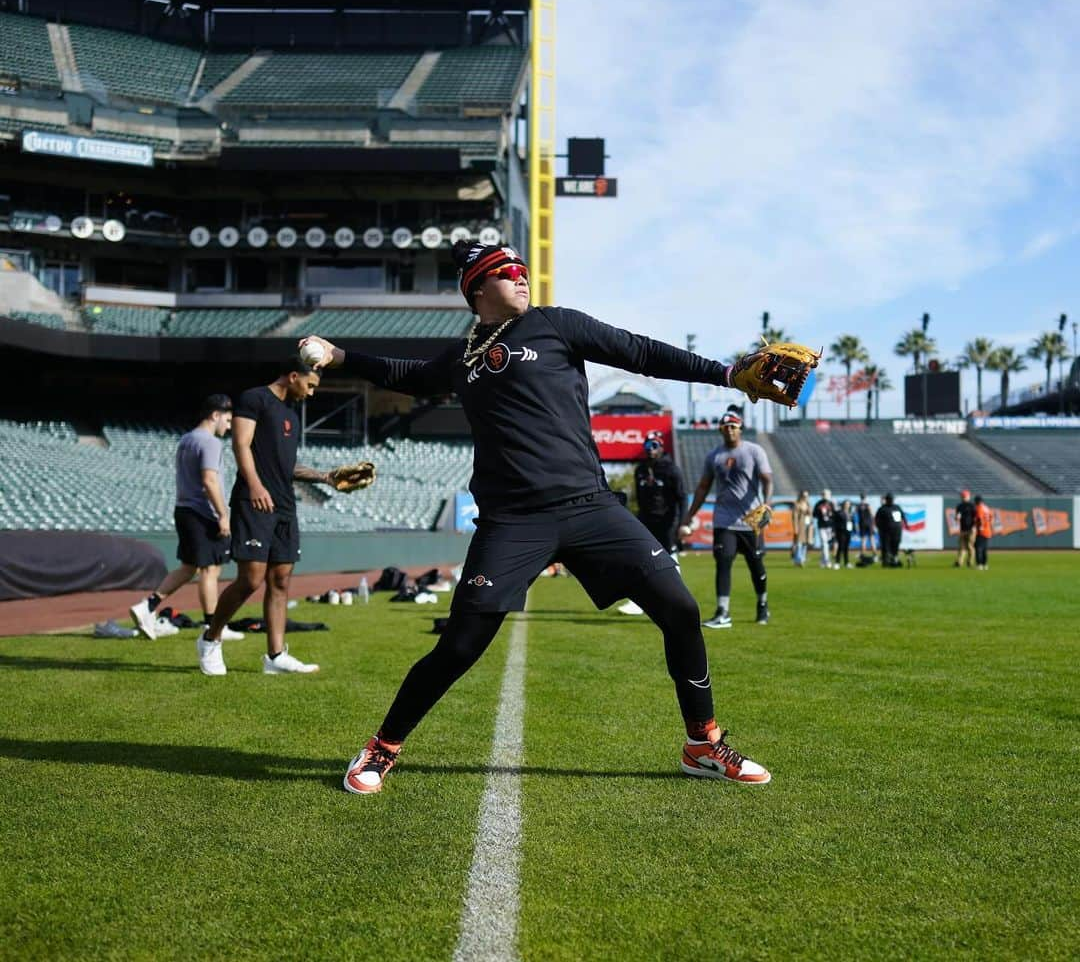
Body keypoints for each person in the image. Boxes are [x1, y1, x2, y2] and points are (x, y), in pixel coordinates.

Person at [300, 241, 781, 794]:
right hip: (513, 521)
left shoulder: (556, 325)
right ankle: (381, 748)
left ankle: (703, 744)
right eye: (508, 273)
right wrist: (340, 357)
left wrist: (726, 374)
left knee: (680, 608)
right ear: (478, 289)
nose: (522, 278)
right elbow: (405, 373)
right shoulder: (464, 359)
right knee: (458, 647)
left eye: (524, 270)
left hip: (590, 506)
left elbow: (641, 352)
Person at [195, 358, 335, 676]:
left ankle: (275, 656)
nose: (311, 393)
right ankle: (210, 638)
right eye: (310, 385)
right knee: (251, 579)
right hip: (253, 501)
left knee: (281, 579)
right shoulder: (254, 398)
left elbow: (289, 467)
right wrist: (256, 486)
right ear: (294, 376)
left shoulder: (291, 415)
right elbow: (240, 445)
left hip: (285, 505)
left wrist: (327, 477)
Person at [130, 394, 244, 643]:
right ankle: (214, 625)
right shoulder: (210, 442)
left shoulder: (186, 439)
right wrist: (223, 514)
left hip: (184, 510)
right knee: (210, 570)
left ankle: (148, 606)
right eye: (227, 419)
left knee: (189, 567)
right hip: (203, 513)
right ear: (215, 415)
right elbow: (209, 480)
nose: (229, 425)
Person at [680, 405, 773, 629]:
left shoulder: (754, 451)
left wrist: (767, 504)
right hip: (724, 519)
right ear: (721, 430)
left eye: (733, 426)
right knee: (723, 563)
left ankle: (762, 603)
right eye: (725, 427)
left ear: (740, 428)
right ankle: (723, 611)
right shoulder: (714, 456)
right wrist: (689, 515)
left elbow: (767, 478)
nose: (729, 430)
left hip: (751, 519)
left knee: (756, 565)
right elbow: (703, 488)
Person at [617, 430, 687, 616]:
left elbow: (681, 498)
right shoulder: (640, 470)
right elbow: (639, 498)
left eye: (654, 445)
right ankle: (639, 601)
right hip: (646, 519)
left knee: (670, 558)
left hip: (667, 521)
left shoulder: (671, 469)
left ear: (661, 447)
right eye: (647, 445)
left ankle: (679, 600)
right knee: (640, 557)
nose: (650, 449)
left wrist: (681, 523)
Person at [875, 493, 908, 567]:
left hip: (897, 531)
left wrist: (906, 524)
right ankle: (885, 561)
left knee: (895, 546)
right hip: (885, 532)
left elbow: (903, 517)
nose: (891, 500)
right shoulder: (882, 509)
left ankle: (894, 560)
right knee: (885, 547)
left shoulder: (897, 507)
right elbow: (877, 520)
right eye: (889, 499)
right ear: (886, 500)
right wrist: (880, 528)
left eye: (892, 499)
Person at [812, 488, 837, 568]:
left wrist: (830, 515)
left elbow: (835, 515)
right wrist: (821, 513)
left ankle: (822, 561)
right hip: (822, 526)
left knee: (827, 544)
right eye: (824, 494)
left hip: (830, 526)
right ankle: (827, 560)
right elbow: (814, 514)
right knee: (824, 543)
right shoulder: (818, 504)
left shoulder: (831, 504)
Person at [954, 489, 977, 568]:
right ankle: (959, 562)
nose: (964, 498)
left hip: (971, 528)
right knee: (961, 546)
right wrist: (957, 518)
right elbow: (957, 517)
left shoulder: (972, 506)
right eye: (963, 496)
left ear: (969, 497)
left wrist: (974, 527)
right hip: (962, 529)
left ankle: (970, 562)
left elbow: (976, 517)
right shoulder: (959, 506)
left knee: (970, 546)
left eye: (965, 496)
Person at [791, 490, 811, 567]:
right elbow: (794, 517)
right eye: (804, 496)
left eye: (807, 496)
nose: (806, 497)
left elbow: (810, 515)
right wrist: (795, 527)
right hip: (800, 526)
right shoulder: (797, 504)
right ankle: (799, 559)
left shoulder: (808, 504)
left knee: (805, 544)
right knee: (799, 544)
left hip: (807, 526)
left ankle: (802, 558)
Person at [833, 499, 855, 568]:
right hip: (841, 531)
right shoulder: (839, 512)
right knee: (840, 547)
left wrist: (853, 529)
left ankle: (847, 562)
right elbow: (835, 522)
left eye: (848, 504)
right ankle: (837, 562)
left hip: (848, 531)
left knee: (846, 547)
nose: (847, 505)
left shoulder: (850, 513)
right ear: (843, 505)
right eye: (846, 504)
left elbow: (852, 521)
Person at [974, 495, 993, 570]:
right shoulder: (986, 508)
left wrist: (981, 527)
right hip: (988, 530)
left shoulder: (979, 508)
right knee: (984, 548)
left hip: (981, 531)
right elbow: (991, 517)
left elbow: (979, 518)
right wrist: (987, 525)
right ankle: (985, 564)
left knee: (978, 548)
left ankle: (979, 564)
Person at [856, 493, 876, 559]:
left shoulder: (858, 506)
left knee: (863, 540)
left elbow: (856, 515)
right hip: (869, 523)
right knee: (872, 539)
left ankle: (862, 554)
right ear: (865, 497)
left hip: (862, 523)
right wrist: (873, 524)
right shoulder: (867, 505)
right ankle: (875, 555)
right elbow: (872, 514)